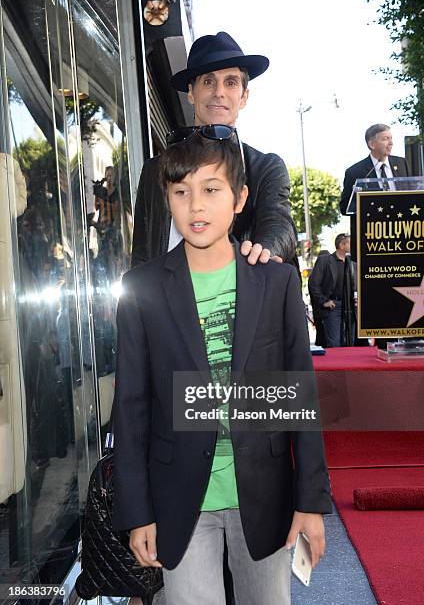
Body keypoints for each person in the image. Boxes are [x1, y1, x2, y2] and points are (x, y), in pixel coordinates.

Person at [112, 131, 331, 605]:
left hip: (265, 494)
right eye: (181, 191)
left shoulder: (275, 281)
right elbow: (130, 408)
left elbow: (299, 397)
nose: (196, 206)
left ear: (239, 199)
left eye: (211, 189)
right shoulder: (142, 288)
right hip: (179, 498)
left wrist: (310, 502)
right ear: (166, 198)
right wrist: (136, 512)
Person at [131, 31, 297, 268]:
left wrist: (263, 252)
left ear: (243, 96)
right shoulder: (154, 170)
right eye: (208, 81)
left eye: (230, 83)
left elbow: (279, 223)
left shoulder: (266, 168)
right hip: (166, 301)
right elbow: (141, 253)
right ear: (191, 92)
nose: (219, 92)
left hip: (236, 298)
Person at [340, 123, 409, 260]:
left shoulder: (402, 164)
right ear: (372, 144)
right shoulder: (355, 172)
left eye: (391, 138)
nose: (391, 143)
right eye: (385, 139)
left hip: (401, 236)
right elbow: (344, 208)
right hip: (372, 241)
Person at [308, 233, 355, 348]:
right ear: (342, 245)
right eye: (350, 242)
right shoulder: (324, 261)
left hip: (350, 306)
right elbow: (313, 284)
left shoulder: (352, 262)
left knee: (350, 341)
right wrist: (324, 301)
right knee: (334, 343)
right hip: (333, 306)